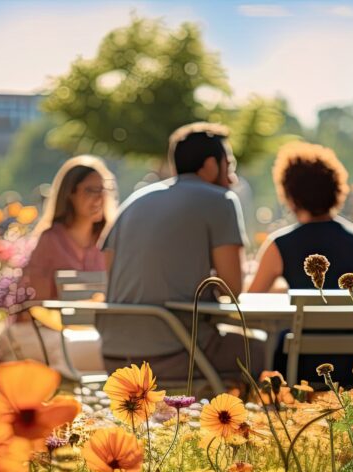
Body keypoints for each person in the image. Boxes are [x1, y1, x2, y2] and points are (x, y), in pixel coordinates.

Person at [99, 122, 263, 384]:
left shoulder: (134, 202)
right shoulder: (220, 200)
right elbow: (232, 288)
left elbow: (110, 268)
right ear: (210, 165)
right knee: (266, 349)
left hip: (113, 356)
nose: (232, 179)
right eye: (229, 166)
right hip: (175, 352)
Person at [248, 141, 353, 387]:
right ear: (336, 188)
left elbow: (248, 305)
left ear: (290, 196)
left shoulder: (280, 244)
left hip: (304, 367)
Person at [0, 156, 117, 376]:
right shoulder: (50, 240)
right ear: (70, 193)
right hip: (52, 330)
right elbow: (36, 304)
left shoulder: (111, 240)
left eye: (103, 189)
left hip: (97, 332)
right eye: (90, 190)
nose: (99, 197)